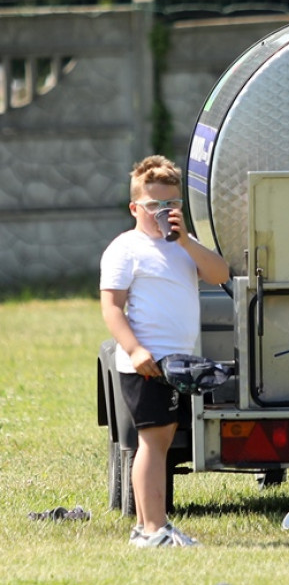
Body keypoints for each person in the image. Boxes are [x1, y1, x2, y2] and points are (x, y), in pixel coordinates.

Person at [100, 155, 230, 546]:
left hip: (176, 362)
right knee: (154, 443)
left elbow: (220, 274)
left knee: (160, 439)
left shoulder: (182, 248)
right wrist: (136, 350)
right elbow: (111, 307)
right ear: (135, 208)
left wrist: (186, 239)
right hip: (146, 362)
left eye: (172, 204)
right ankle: (153, 529)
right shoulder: (126, 249)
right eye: (156, 205)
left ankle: (148, 527)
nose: (164, 212)